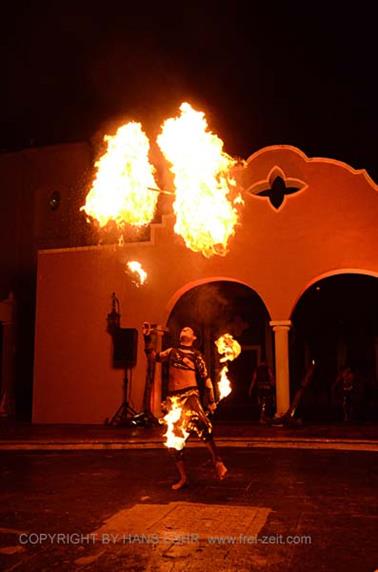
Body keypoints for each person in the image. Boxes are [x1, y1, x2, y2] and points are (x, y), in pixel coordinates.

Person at [143, 325, 228, 490]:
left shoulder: (196, 355)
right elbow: (153, 357)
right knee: (174, 443)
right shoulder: (172, 351)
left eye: (188, 330)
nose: (184, 330)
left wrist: (211, 400)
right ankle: (183, 478)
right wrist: (147, 338)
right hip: (174, 400)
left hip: (190, 396)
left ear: (194, 337)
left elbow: (206, 379)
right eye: (182, 329)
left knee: (204, 425)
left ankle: (217, 461)